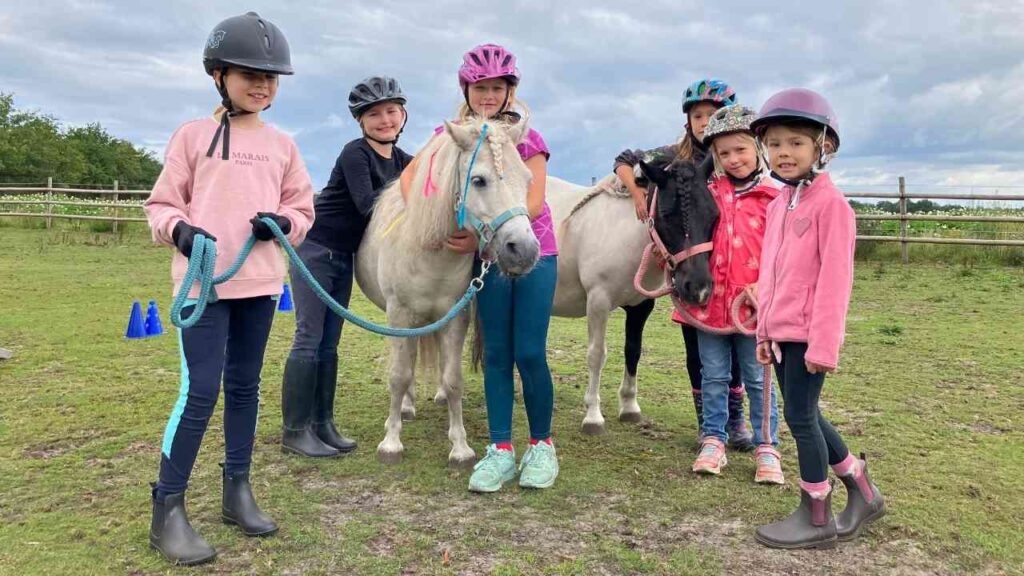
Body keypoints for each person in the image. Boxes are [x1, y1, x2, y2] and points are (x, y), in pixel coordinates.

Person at [142, 12, 314, 565]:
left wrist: (283, 225)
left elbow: (300, 206)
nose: (262, 85)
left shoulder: (283, 145)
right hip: (204, 288)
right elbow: (161, 205)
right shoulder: (192, 137)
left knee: (245, 389)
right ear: (218, 74)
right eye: (249, 74)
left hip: (260, 284)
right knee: (200, 392)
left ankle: (236, 488)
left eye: (271, 77)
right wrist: (182, 231)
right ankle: (167, 507)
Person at [751, 88, 886, 549]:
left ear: (822, 147)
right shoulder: (777, 205)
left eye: (795, 143)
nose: (783, 153)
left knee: (801, 418)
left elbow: (835, 283)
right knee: (805, 413)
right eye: (774, 144)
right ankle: (862, 487)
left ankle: (817, 514)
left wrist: (823, 346)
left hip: (809, 337)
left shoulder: (833, 208)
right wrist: (763, 331)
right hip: (782, 332)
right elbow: (769, 273)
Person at [613, 79, 754, 450]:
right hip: (693, 266)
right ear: (688, 120)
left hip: (734, 267)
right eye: (698, 115)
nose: (705, 122)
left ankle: (735, 419)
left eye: (713, 115)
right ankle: (707, 421)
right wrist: (637, 192)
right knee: (697, 347)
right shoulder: (672, 156)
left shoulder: (736, 161)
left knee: (738, 348)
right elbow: (625, 160)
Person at [279, 76, 412, 458]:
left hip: (346, 257)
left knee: (330, 343)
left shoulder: (405, 161)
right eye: (374, 114)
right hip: (317, 249)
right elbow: (369, 205)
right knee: (309, 336)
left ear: (403, 114)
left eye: (391, 111)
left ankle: (323, 424)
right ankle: (295, 430)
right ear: (360, 121)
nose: (385, 119)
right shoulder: (355, 153)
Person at [677, 105, 784, 483]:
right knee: (714, 375)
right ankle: (713, 440)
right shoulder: (708, 193)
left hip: (752, 308)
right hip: (710, 304)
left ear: (757, 147)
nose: (733, 159)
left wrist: (768, 287)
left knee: (758, 378)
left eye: (740, 150)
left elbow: (785, 253)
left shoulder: (775, 197)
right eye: (723, 153)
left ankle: (767, 445)